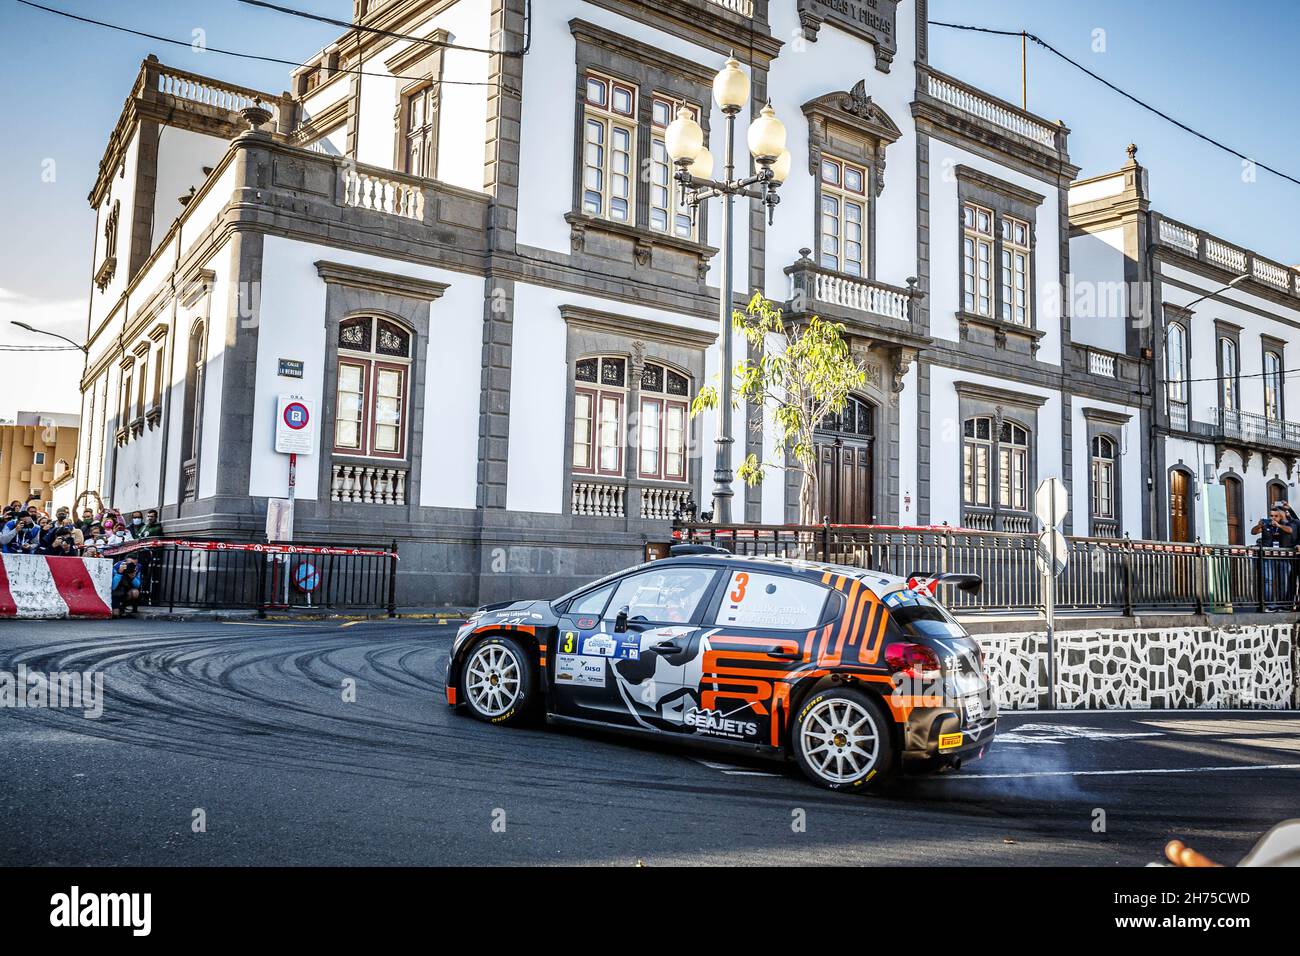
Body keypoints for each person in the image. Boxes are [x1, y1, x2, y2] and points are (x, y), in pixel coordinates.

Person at [1252, 506, 1296, 608]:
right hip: (1268, 557)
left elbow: (1290, 530)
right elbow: (1253, 532)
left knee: (1283, 581)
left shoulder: (1286, 523)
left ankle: (1283, 605)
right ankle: (1269, 605)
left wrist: (1278, 525)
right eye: (1271, 515)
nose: (1273, 518)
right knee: (1268, 581)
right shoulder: (1266, 523)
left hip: (1283, 557)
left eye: (1275, 516)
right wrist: (1259, 526)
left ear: (1280, 516)